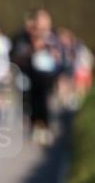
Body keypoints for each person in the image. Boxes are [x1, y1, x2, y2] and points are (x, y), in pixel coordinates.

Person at [10, 9, 62, 144]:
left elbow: (60, 57)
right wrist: (33, 48)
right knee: (32, 101)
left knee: (44, 100)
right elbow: (16, 55)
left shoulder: (53, 37)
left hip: (47, 76)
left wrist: (55, 55)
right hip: (30, 75)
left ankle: (44, 126)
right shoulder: (24, 37)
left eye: (45, 21)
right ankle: (35, 126)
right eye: (40, 21)